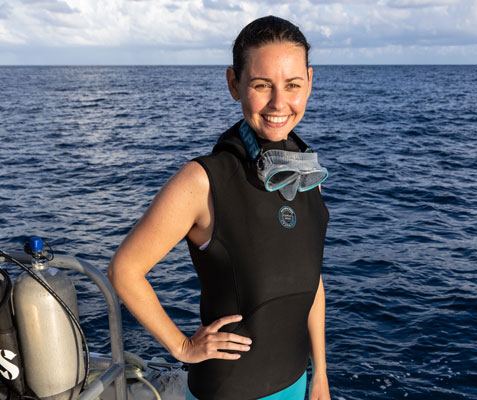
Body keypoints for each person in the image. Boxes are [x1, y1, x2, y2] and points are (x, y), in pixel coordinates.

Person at [108, 15, 331, 400]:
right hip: (230, 390)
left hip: (297, 382)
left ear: (309, 82)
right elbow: (125, 269)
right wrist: (181, 346)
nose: (279, 103)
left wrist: (321, 374)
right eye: (262, 85)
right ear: (234, 84)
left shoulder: (303, 171)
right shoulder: (203, 180)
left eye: (292, 85)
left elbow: (310, 278)